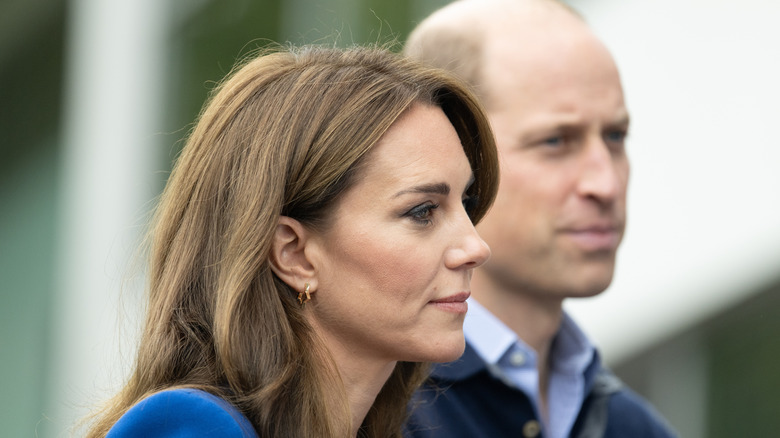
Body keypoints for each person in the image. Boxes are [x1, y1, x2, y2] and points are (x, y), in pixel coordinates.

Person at [85, 45, 500, 438]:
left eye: (468, 202)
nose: (475, 247)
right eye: (422, 212)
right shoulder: (193, 428)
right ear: (294, 254)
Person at [403, 1, 677, 437]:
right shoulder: (367, 409)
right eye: (555, 141)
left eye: (615, 136)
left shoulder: (632, 426)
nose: (605, 183)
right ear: (448, 151)